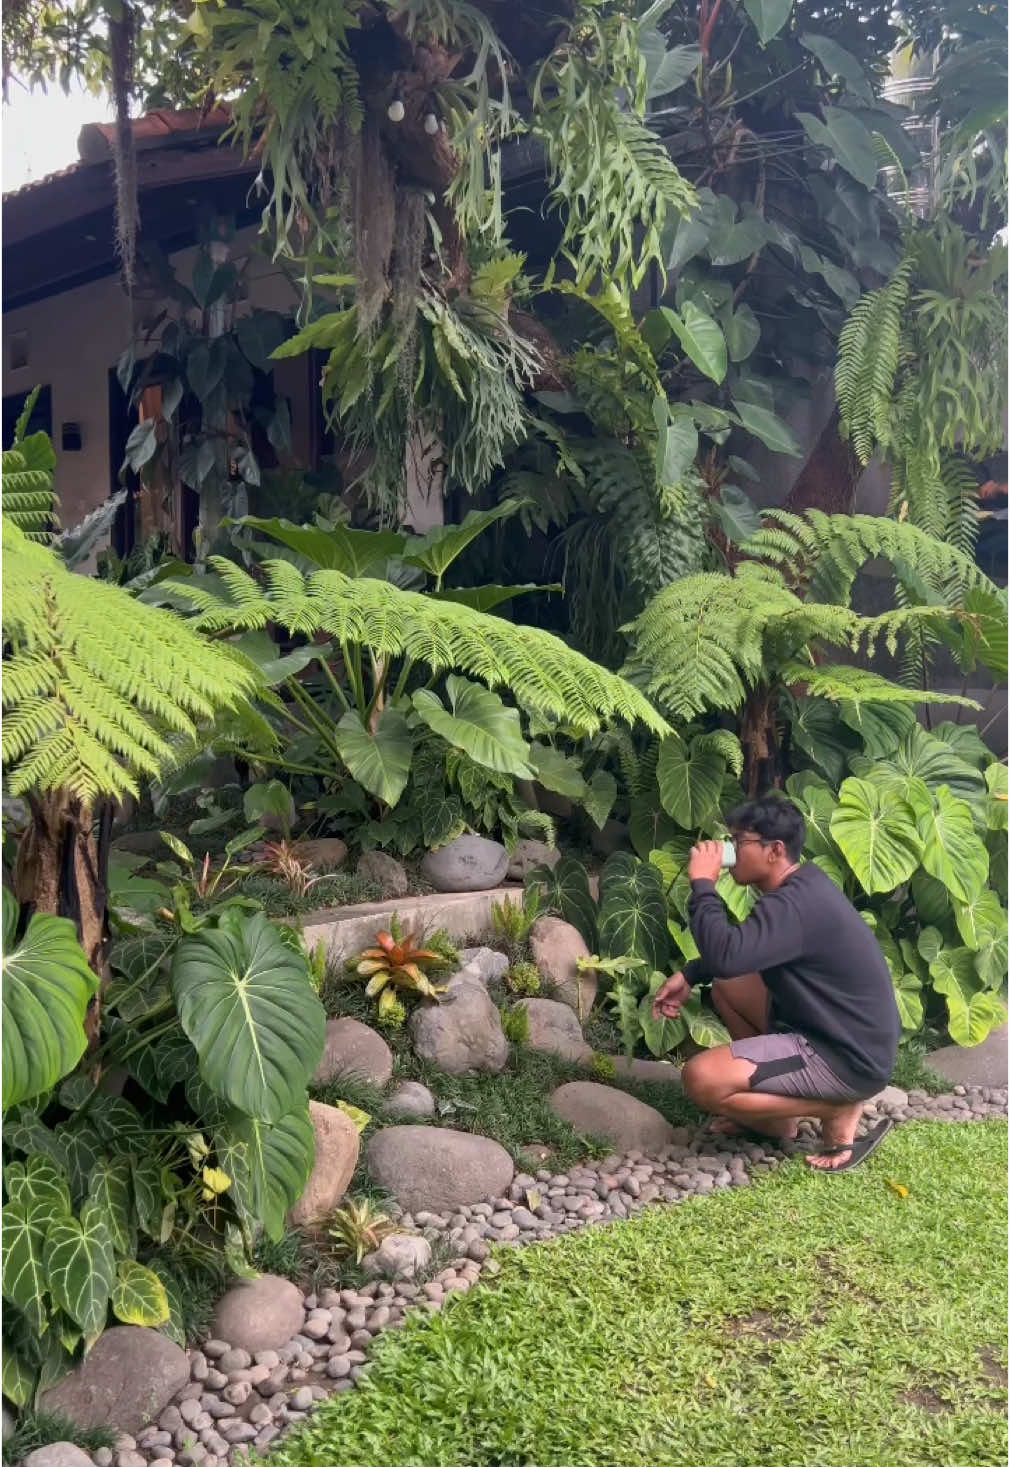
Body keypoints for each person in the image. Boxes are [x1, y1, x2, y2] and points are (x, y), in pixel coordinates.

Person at [652, 795, 901, 1172]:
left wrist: (703, 883)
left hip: (844, 1055)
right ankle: (775, 1119)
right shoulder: (801, 889)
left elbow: (727, 954)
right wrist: (690, 974)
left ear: (775, 850)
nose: (729, 850)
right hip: (838, 1036)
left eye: (740, 842)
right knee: (728, 985)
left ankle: (836, 1105)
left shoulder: (794, 903)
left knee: (701, 1079)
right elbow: (741, 956)